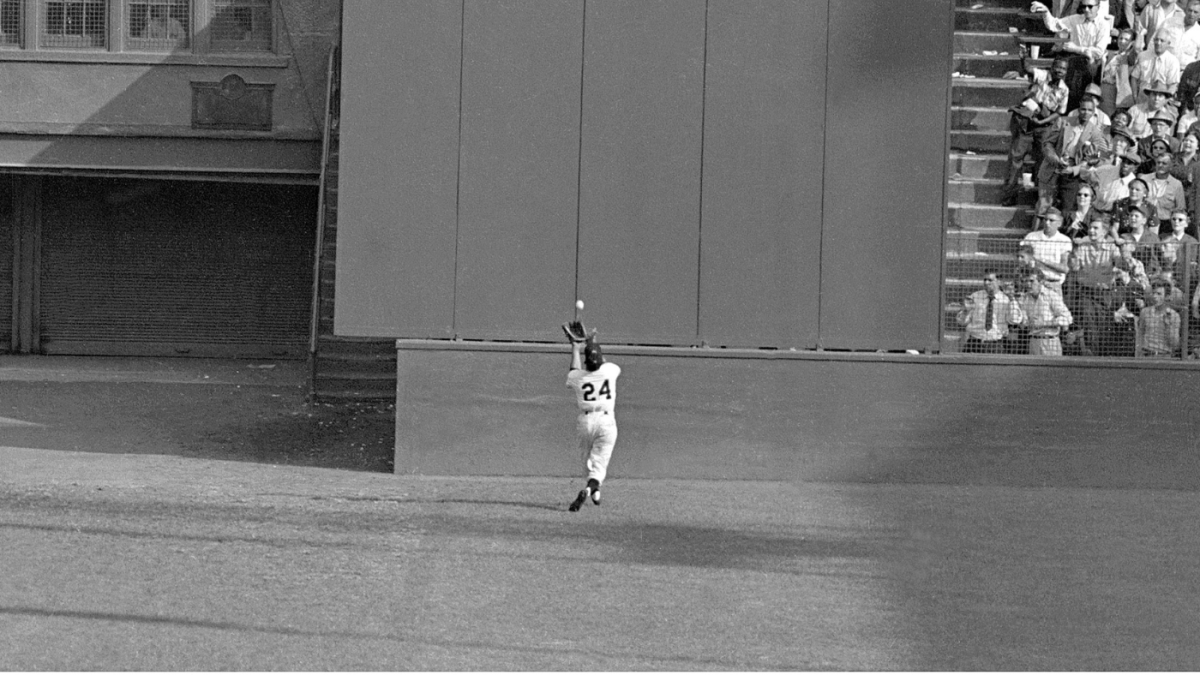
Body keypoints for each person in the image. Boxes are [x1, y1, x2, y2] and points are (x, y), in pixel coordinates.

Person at [1002, 54, 1073, 206]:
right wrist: (1023, 58)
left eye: (1063, 69)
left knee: (1042, 161)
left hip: (1044, 125)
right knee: (1016, 158)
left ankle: (1040, 198)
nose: (1060, 71)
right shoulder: (1043, 75)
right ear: (1052, 67)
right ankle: (1010, 194)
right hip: (1027, 121)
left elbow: (1059, 112)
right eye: (1058, 67)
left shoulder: (1064, 90)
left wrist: (1043, 121)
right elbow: (1028, 69)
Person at [565, 334, 621, 512]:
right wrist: (592, 341)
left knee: (588, 464)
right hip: (606, 421)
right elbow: (603, 361)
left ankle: (594, 491)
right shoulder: (610, 370)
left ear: (586, 362)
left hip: (586, 421)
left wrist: (575, 347)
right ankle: (590, 489)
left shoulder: (578, 377)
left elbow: (573, 369)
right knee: (598, 466)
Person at [1032, 0, 1116, 108]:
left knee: (1083, 80)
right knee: (1062, 74)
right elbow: (1054, 25)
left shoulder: (1103, 25)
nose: (1086, 9)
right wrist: (1046, 12)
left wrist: (1077, 49)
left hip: (1091, 62)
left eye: (1090, 7)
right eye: (1084, 6)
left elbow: (1098, 52)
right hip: (1073, 59)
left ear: (1098, 7)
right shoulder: (1075, 19)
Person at [1038, 95, 1110, 213]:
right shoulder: (1063, 122)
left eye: (1090, 110)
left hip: (1073, 173)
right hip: (1052, 167)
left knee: (1067, 209)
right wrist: (1055, 159)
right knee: (1044, 207)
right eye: (1083, 109)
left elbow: (1099, 156)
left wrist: (1075, 168)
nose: (1086, 113)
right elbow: (1047, 144)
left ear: (1093, 112)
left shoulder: (1095, 132)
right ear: (1078, 110)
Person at [1069, 219, 1122, 354]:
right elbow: (1074, 267)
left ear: (1104, 232)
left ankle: (1103, 358)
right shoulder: (1082, 247)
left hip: (1105, 293)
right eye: (1090, 228)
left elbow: (1120, 263)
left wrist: (1121, 256)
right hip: (1087, 292)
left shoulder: (1111, 247)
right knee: (1089, 326)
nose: (1091, 231)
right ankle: (1092, 356)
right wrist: (1074, 249)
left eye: (1095, 228)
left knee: (1104, 327)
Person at [956, 269, 1025, 353]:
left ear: (999, 282)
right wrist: (966, 311)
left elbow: (1015, 320)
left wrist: (1012, 300)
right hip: (975, 343)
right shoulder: (975, 296)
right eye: (985, 280)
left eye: (990, 280)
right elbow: (961, 322)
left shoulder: (1007, 299)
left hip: (996, 344)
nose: (986, 283)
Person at [1017, 268, 1075, 355]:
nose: (1028, 284)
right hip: (1033, 342)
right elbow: (1024, 323)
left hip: (1050, 341)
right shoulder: (1025, 299)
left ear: (1041, 282)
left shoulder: (1051, 296)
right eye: (1026, 281)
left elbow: (1067, 318)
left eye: (1032, 281)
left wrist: (1045, 323)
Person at [1022, 207, 1075, 295]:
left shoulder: (1065, 240)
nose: (1047, 223)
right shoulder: (1031, 237)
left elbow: (1064, 268)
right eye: (1045, 219)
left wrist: (1042, 260)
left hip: (1053, 284)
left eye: (1051, 220)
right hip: (1032, 283)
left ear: (1059, 223)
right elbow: (1022, 259)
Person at [1129, 30, 1182, 104]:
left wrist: (1163, 102)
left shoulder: (1173, 61)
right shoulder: (1143, 56)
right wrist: (1134, 97)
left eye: (1162, 40)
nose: (1158, 43)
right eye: (1156, 39)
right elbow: (1134, 77)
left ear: (1168, 43)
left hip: (1159, 100)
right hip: (1141, 99)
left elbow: (1172, 86)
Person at [1139, 149, 1187, 230]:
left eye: (1164, 163)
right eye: (1158, 163)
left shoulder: (1176, 184)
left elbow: (1180, 208)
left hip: (1166, 225)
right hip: (1145, 222)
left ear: (1171, 166)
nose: (1160, 165)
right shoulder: (1144, 179)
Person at [1138, 279, 1183, 354]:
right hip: (1146, 355)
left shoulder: (1174, 315)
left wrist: (1169, 327)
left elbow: (1175, 345)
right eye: (1153, 293)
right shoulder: (1145, 312)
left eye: (1159, 294)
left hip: (1164, 356)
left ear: (1167, 296)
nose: (1155, 297)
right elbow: (1140, 335)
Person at [1101, 28, 1139, 112]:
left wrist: (1141, 33)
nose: (1122, 41)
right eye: (1121, 38)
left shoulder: (1130, 57)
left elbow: (1137, 48)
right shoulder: (1111, 54)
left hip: (1118, 93)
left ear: (1132, 42)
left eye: (1126, 39)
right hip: (1105, 89)